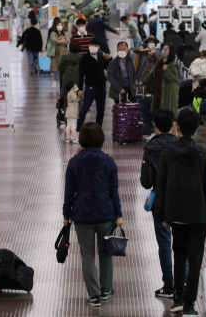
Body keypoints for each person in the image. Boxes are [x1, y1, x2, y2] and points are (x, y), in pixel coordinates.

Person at [153, 107, 206, 317]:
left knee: (179, 255)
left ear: (177, 126)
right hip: (198, 214)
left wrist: (163, 216)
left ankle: (178, 299)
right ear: (197, 127)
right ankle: (190, 305)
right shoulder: (204, 155)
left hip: (175, 213)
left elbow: (161, 186)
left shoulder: (167, 155)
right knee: (195, 259)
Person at [63, 122, 123, 307]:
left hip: (82, 215)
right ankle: (106, 289)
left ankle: (94, 295)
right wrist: (118, 214)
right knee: (106, 253)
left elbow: (69, 192)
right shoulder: (108, 161)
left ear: (81, 140)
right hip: (106, 213)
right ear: (100, 139)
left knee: (87, 256)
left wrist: (66, 214)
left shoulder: (74, 162)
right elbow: (114, 191)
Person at [140, 107, 178, 298]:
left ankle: (169, 285)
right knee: (181, 242)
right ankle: (184, 283)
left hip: (161, 201)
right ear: (173, 124)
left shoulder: (150, 148)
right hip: (181, 200)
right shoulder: (181, 145)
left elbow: (146, 181)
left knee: (164, 243)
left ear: (154, 126)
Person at [77, 38, 112, 131]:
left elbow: (108, 67)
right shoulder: (84, 58)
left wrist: (110, 58)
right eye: (92, 45)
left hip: (102, 87)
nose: (93, 47)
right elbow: (80, 75)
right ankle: (77, 130)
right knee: (84, 109)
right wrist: (80, 89)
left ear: (99, 47)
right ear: (89, 46)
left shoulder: (101, 56)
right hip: (90, 87)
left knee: (101, 110)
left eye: (95, 46)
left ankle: (98, 130)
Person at [139, 44, 179, 114]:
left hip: (167, 92)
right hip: (158, 90)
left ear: (170, 53)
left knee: (165, 112)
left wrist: (166, 71)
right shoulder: (159, 63)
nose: (163, 51)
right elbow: (152, 74)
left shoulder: (172, 65)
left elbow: (171, 78)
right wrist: (143, 82)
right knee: (157, 110)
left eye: (166, 50)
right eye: (163, 49)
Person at [60, 40, 83, 113]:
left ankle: (66, 120)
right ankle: (77, 119)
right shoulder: (81, 58)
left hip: (66, 82)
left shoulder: (64, 57)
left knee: (66, 101)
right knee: (78, 101)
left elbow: (60, 69)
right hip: (77, 82)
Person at [50, 18, 69, 89]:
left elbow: (67, 41)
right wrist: (62, 40)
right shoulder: (53, 33)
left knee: (63, 69)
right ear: (55, 25)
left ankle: (61, 82)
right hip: (56, 53)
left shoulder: (65, 33)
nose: (60, 26)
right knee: (56, 68)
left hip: (64, 53)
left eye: (61, 25)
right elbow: (54, 41)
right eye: (58, 25)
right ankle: (55, 81)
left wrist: (58, 40)